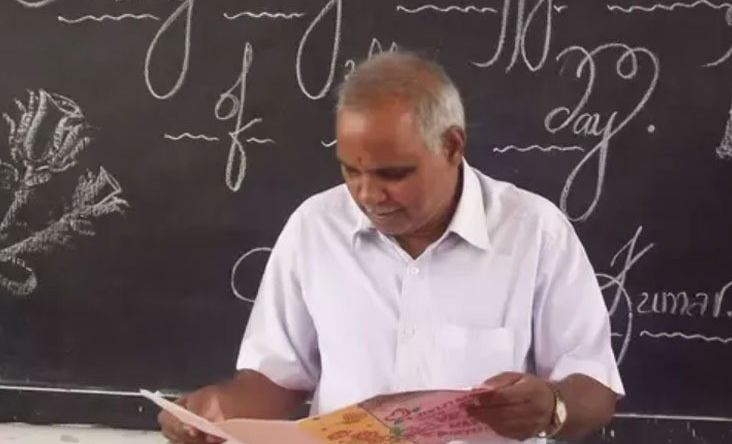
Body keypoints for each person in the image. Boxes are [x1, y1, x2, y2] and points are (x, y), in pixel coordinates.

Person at [158, 51, 624, 443]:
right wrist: (218, 410)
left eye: (393, 174)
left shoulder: (534, 231)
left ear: (451, 146)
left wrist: (554, 405)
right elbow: (277, 378)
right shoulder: (315, 227)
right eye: (350, 170)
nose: (367, 195)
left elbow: (595, 384)